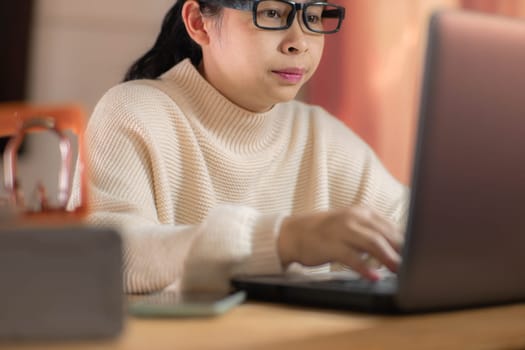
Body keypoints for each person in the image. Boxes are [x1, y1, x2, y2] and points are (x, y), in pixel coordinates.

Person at [70, 0, 408, 294]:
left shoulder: (321, 134)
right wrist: (284, 240)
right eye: (273, 13)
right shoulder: (133, 111)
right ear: (199, 23)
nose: (299, 43)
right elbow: (107, 254)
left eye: (314, 16)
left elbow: (411, 227)